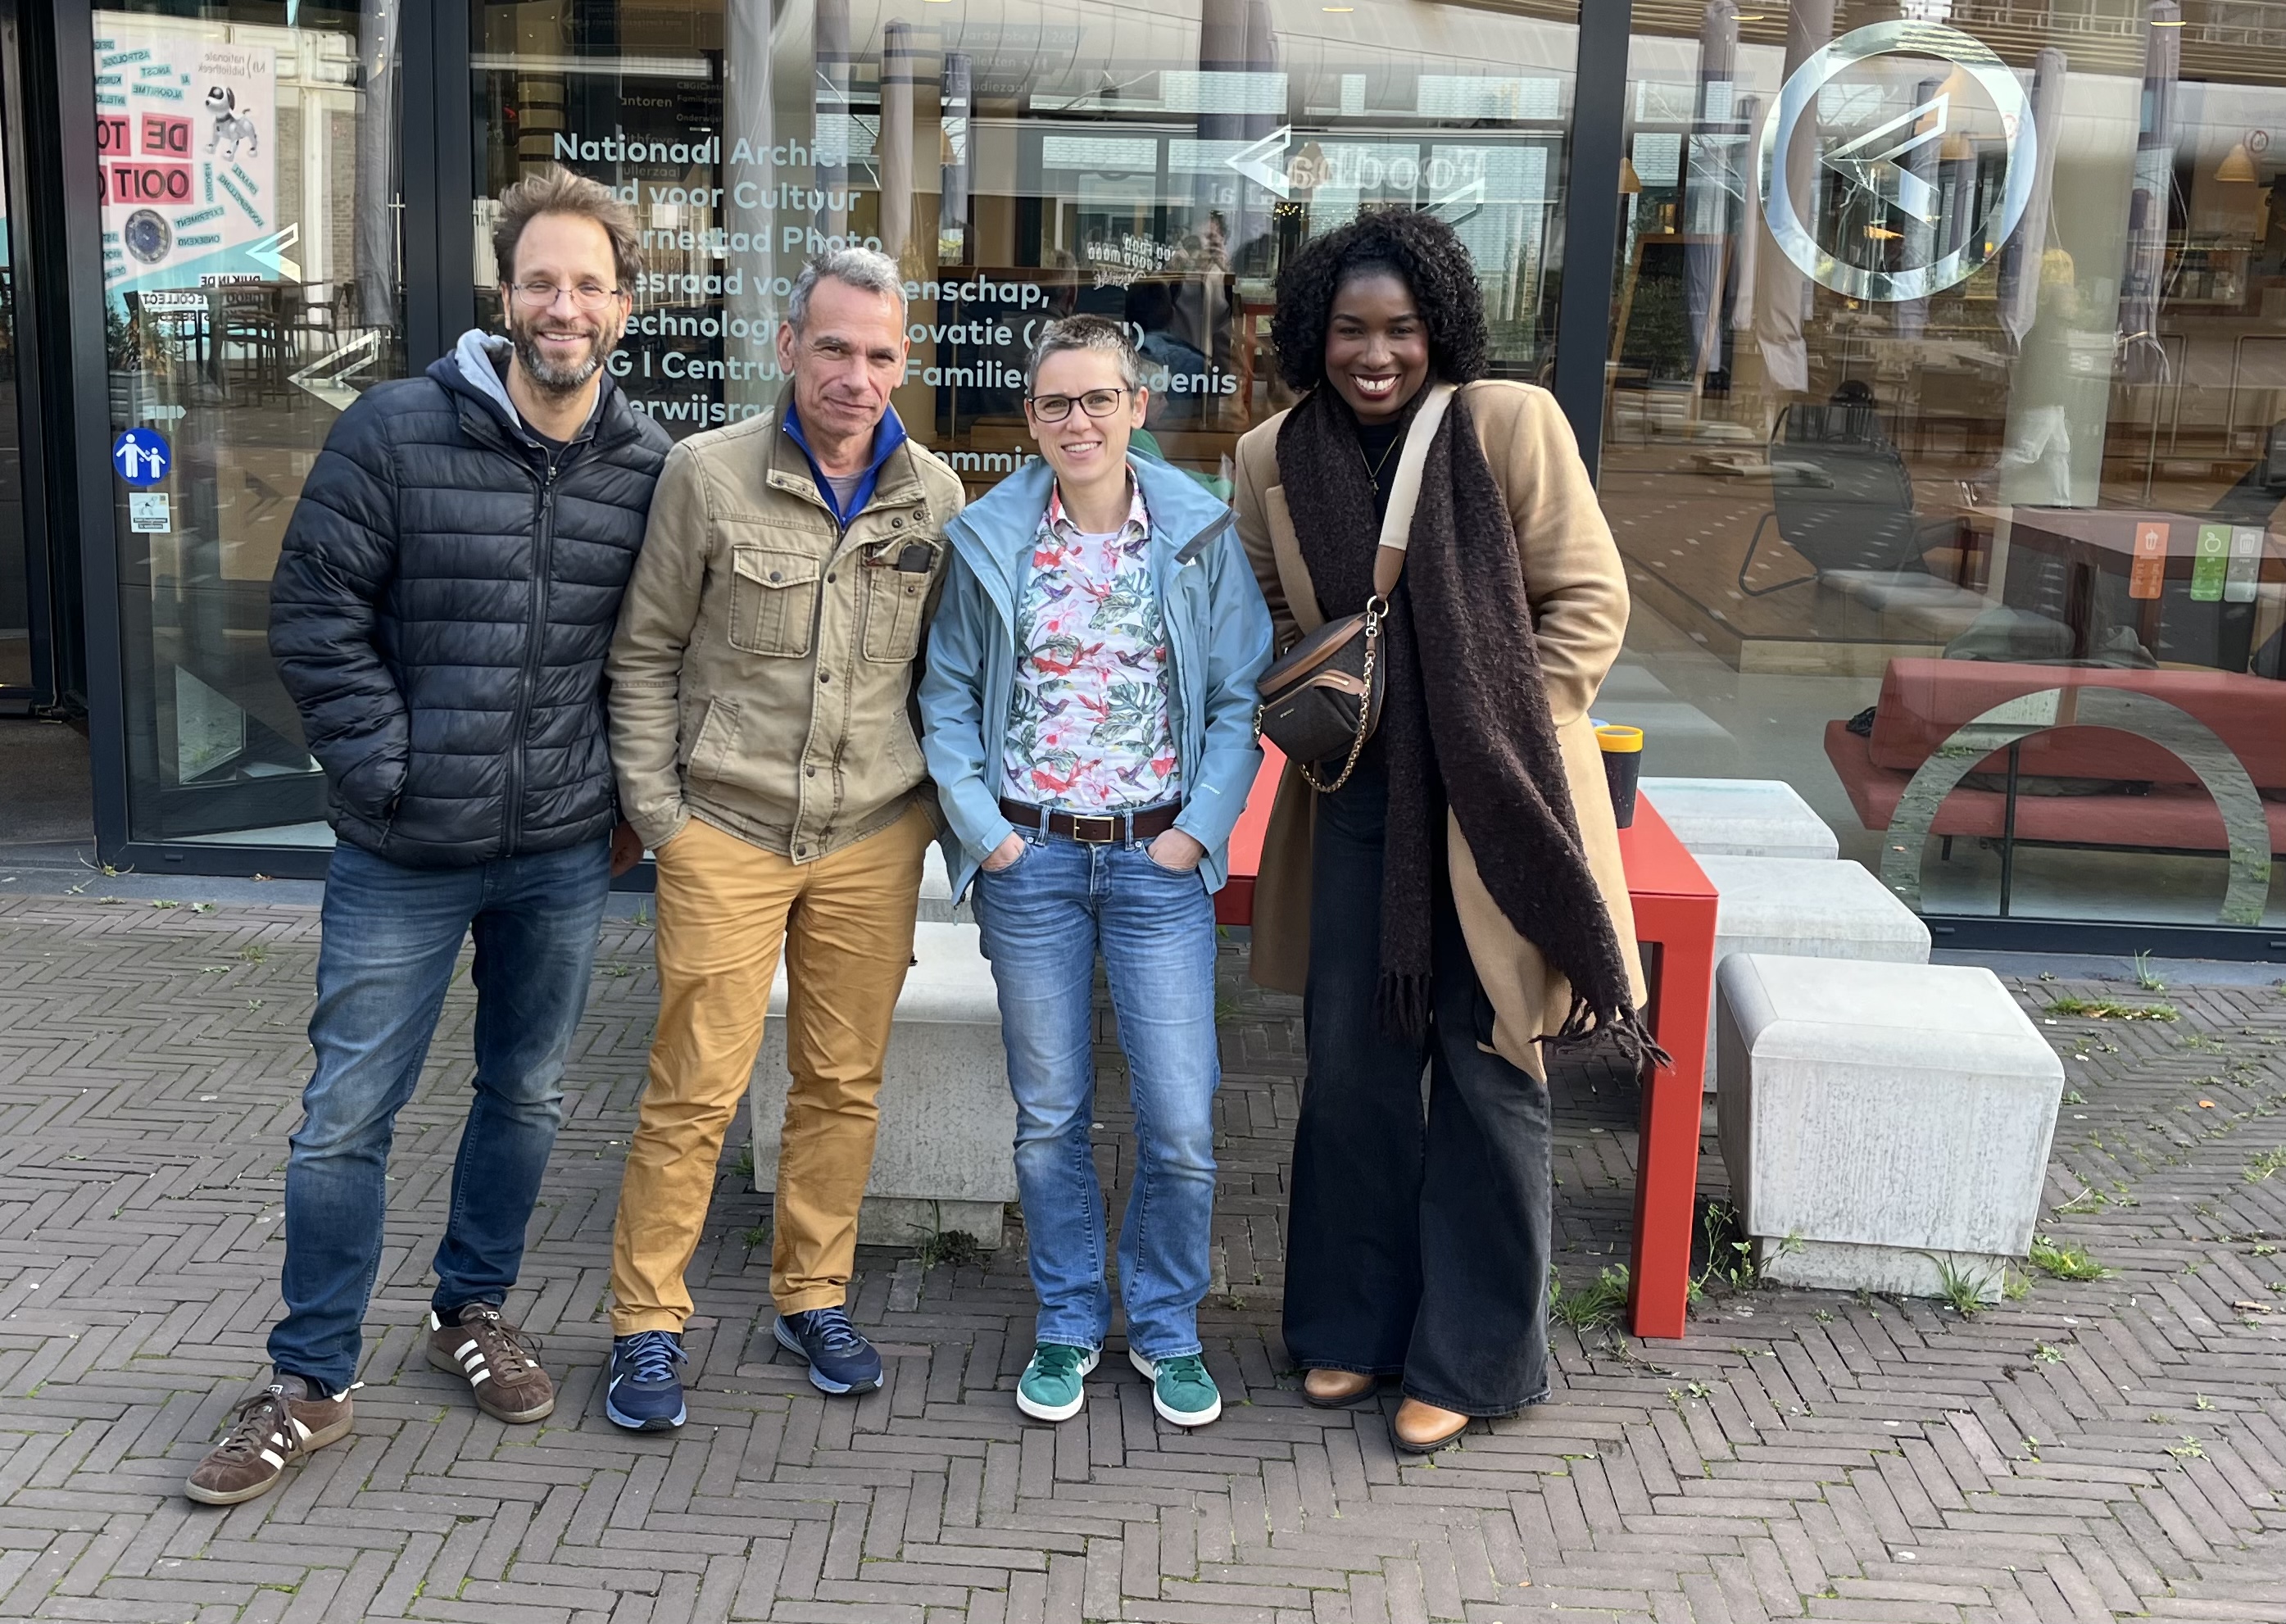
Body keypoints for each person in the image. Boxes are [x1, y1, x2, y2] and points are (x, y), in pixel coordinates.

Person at [188, 166, 669, 1505]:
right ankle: (309, 1375)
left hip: (563, 850)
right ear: (504, 295)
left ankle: (473, 1309)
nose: (561, 305)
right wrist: (389, 769)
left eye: (587, 283)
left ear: (624, 305)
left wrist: (625, 802)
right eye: (539, 280)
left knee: (527, 1094)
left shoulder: (646, 466)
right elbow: (314, 617)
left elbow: (653, 653)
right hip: (402, 849)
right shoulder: (395, 430)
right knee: (344, 1116)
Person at [1231, 211, 1655, 1455]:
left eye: (1401, 329)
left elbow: (1589, 603)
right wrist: (1326, 702)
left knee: (1488, 1067)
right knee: (1351, 1073)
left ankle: (1471, 1355)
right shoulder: (1268, 454)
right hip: (1356, 801)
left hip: (1501, 807)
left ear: (1439, 330)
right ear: (1312, 332)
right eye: (1352, 329)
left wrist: (1493, 731)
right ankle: (1350, 1326)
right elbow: (1273, 609)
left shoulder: (1507, 423)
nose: (1376, 353)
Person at [601, 247, 966, 1428]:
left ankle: (812, 1294)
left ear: (902, 361)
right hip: (727, 828)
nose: (855, 375)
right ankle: (646, 1323)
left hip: (870, 833)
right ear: (786, 347)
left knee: (842, 1083)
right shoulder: (705, 477)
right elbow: (645, 651)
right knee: (693, 1089)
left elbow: (946, 675)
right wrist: (663, 820)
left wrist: (931, 821)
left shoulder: (936, 497)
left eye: (878, 355)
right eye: (832, 348)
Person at [919, 315, 1270, 1427]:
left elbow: (1234, 699)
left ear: (1137, 408)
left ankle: (1166, 1328)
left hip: (1156, 862)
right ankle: (1069, 1319)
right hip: (1033, 863)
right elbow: (943, 700)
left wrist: (1194, 830)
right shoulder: (991, 539)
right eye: (1055, 403)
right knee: (1049, 1113)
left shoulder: (1199, 537)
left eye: (1098, 399)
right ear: (1029, 419)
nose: (1078, 420)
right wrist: (991, 835)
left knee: (1177, 1116)